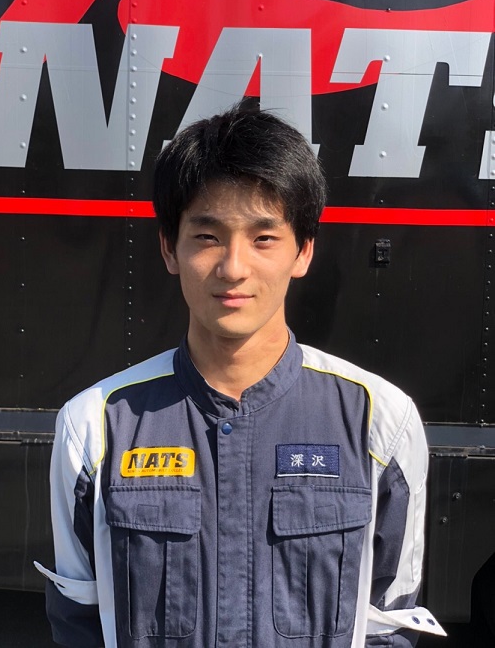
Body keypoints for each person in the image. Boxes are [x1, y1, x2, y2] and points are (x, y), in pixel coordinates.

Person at [35, 104, 444, 647]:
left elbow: (389, 626)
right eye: (207, 237)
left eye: (263, 238)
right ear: (169, 248)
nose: (233, 268)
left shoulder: (381, 423)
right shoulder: (94, 426)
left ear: (303, 251)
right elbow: (78, 619)